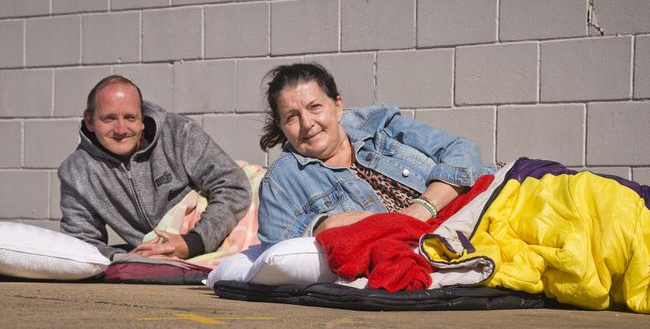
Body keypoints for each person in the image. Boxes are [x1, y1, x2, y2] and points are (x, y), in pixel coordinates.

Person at [257, 63, 495, 249]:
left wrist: (422, 208)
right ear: (281, 127)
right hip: (430, 244)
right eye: (292, 117)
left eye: (315, 107)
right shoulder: (282, 180)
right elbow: (277, 244)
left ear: (338, 106)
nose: (307, 123)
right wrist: (322, 225)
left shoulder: (378, 124)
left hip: (480, 204)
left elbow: (463, 150)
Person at [58, 75, 251, 259]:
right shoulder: (76, 172)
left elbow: (233, 185)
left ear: (142, 119)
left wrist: (193, 242)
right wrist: (121, 258)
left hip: (219, 232)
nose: (121, 129)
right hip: (162, 256)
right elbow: (81, 243)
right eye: (109, 118)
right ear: (89, 120)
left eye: (130, 118)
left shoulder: (178, 133)